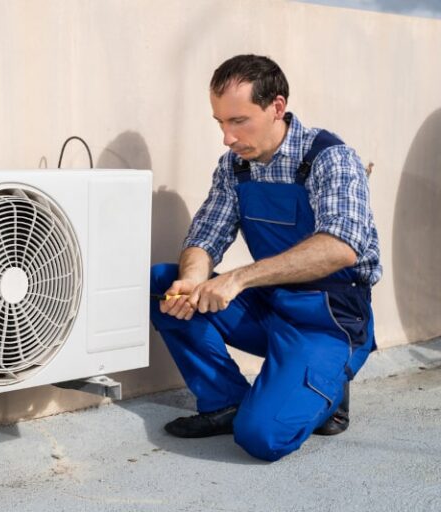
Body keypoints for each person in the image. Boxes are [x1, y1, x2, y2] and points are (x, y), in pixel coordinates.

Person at [150, 54, 381, 462]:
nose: (227, 137)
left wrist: (236, 279)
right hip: (270, 305)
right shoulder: (234, 168)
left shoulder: (331, 158)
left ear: (276, 107)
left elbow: (340, 245)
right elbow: (204, 237)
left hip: (328, 318)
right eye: (220, 122)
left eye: (238, 121)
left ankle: (327, 389)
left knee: (262, 439)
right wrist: (192, 279)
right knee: (161, 283)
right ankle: (225, 401)